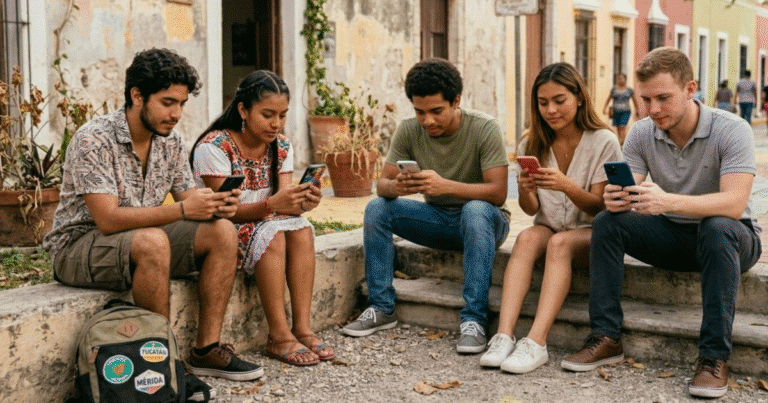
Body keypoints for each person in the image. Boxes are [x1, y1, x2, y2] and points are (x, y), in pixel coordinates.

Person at [43, 48, 264, 382]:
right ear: (137, 96)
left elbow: (189, 198)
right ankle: (165, 365)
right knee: (154, 242)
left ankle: (207, 351)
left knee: (221, 232)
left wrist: (216, 205)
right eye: (167, 102)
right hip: (78, 247)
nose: (176, 113)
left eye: (181, 104)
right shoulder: (94, 138)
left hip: (138, 241)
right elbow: (107, 219)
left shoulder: (169, 142)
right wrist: (181, 209)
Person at [561, 47, 762, 399]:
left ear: (690, 89)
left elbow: (734, 203)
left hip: (731, 240)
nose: (653, 109)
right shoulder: (641, 132)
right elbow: (631, 185)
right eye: (646, 99)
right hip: (673, 236)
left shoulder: (733, 129)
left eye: (664, 98)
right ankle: (606, 337)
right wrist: (617, 196)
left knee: (716, 227)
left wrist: (668, 200)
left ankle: (714, 358)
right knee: (609, 221)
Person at [341, 58, 511, 354]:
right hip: (437, 219)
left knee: (474, 210)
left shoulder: (484, 128)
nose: (428, 121)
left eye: (436, 111)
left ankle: (474, 320)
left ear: (456, 101)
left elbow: (498, 193)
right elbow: (382, 185)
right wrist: (398, 187)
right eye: (420, 112)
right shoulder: (409, 130)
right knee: (378, 208)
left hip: (486, 222)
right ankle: (381, 307)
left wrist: (446, 186)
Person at [479, 63, 621, 373]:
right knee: (527, 237)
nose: (551, 110)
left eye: (559, 100)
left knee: (559, 243)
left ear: (579, 98)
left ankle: (536, 342)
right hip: (550, 225)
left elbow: (600, 207)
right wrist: (525, 189)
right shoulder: (531, 144)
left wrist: (566, 185)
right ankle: (503, 336)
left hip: (591, 232)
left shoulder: (603, 141)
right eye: (543, 103)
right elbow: (531, 211)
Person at [191, 70, 332, 366]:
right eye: (267, 114)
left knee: (302, 229)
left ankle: (303, 329)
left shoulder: (280, 146)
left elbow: (283, 202)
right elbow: (224, 210)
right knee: (275, 235)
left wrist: (303, 202)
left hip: (264, 219)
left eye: (282, 115)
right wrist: (274, 205)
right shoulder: (214, 147)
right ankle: (279, 336)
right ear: (243, 109)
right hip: (221, 228)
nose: (276, 124)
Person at [602, 73, 640, 145]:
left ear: (625, 79)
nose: (620, 80)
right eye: (618, 78)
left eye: (622, 78)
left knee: (622, 126)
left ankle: (621, 142)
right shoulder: (614, 89)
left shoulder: (629, 90)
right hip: (616, 111)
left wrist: (637, 110)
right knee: (618, 127)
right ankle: (623, 142)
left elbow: (635, 101)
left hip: (626, 111)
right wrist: (605, 108)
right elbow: (608, 99)